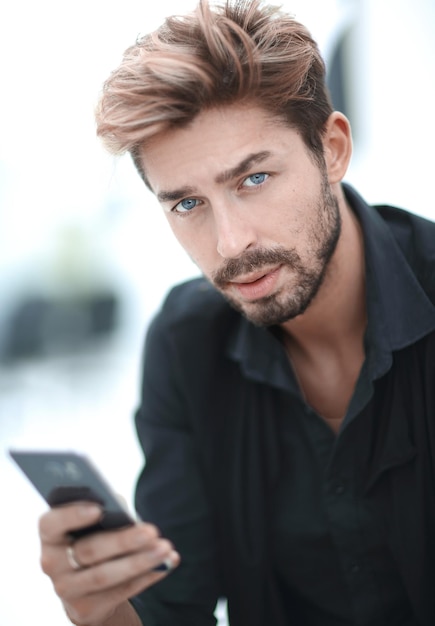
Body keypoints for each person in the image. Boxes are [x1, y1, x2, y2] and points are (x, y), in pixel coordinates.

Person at [38, 1, 435, 625]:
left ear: (331, 149)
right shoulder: (184, 343)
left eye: (253, 179)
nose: (230, 244)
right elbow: (174, 608)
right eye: (188, 204)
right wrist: (104, 605)